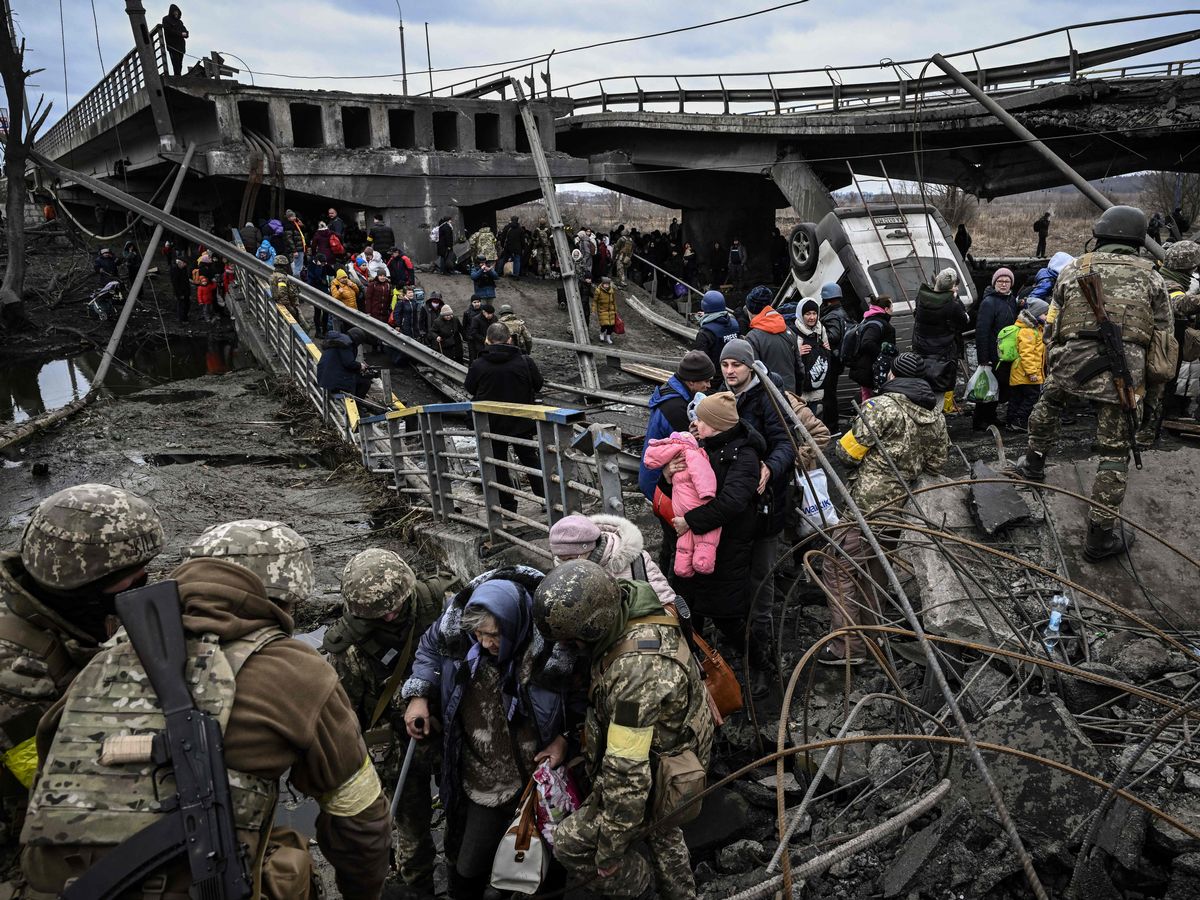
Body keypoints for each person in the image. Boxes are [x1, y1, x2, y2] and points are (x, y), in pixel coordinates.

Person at [21, 519, 392, 898]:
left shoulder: (105, 659)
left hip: (66, 886)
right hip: (200, 883)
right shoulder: (297, 671)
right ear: (286, 598)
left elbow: (47, 769)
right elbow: (359, 817)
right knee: (287, 861)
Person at [0, 485, 162, 869]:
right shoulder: (14, 674)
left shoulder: (59, 611)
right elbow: (51, 781)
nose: (143, 582)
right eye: (131, 579)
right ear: (80, 581)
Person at [535, 560, 713, 900]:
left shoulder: (634, 673)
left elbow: (628, 774)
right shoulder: (633, 603)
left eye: (571, 642)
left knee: (571, 843)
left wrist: (610, 852)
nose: (569, 649)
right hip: (673, 752)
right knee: (664, 832)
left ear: (591, 629)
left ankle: (640, 887)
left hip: (659, 767)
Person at [402, 568, 576, 899]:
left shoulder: (553, 646)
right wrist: (419, 695)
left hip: (536, 780)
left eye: (494, 635)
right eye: (479, 635)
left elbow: (580, 698)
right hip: (482, 776)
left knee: (545, 865)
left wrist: (564, 737)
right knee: (468, 867)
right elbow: (428, 654)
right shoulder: (456, 635)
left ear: (515, 625)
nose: (485, 643)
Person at [1016, 205, 1171, 559]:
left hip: (1071, 361)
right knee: (1115, 451)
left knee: (1049, 403)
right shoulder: (1153, 277)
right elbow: (1164, 340)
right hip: (1125, 372)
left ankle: (1033, 463)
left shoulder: (1073, 267)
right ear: (1138, 240)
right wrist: (1153, 389)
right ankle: (1099, 538)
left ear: (1099, 235)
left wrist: (1055, 360)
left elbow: (1051, 325)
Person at [323, 549, 456, 896]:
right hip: (395, 747)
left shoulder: (440, 607)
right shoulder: (347, 648)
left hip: (449, 727)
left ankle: (463, 876)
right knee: (411, 827)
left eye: (396, 606)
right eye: (381, 614)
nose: (392, 615)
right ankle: (418, 887)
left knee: (462, 809)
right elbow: (344, 713)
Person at [823, 352, 949, 664]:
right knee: (876, 568)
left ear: (893, 375)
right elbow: (937, 463)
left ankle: (847, 647)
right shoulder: (934, 411)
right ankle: (873, 634)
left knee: (837, 565)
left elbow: (846, 453)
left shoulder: (881, 407)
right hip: (900, 508)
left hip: (866, 505)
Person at [718, 339, 796, 697]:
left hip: (766, 507)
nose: (730, 371)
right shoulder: (720, 400)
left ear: (750, 366)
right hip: (734, 508)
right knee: (733, 578)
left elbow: (786, 445)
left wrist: (770, 467)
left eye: (736, 365)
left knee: (760, 582)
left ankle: (766, 661)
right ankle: (737, 648)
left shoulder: (768, 397)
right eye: (725, 365)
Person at [665, 391, 762, 640]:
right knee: (687, 615)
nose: (694, 423)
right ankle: (696, 668)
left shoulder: (745, 456)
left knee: (727, 621)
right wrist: (667, 475)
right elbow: (683, 490)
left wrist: (690, 522)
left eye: (700, 419)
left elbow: (733, 502)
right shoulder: (702, 448)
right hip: (694, 546)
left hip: (727, 549)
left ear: (716, 425)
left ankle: (760, 663)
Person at [640, 351, 716, 569]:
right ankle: (671, 588)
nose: (709, 386)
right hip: (662, 484)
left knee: (670, 537)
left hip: (655, 478)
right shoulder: (676, 409)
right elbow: (691, 450)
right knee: (678, 539)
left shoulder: (671, 394)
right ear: (691, 381)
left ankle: (665, 578)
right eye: (705, 381)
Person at [464, 322, 545, 510]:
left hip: (491, 423)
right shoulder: (525, 361)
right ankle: (546, 499)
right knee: (530, 459)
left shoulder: (478, 364)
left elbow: (470, 387)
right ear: (510, 339)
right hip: (521, 420)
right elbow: (538, 385)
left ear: (487, 340)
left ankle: (508, 506)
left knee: (498, 465)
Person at [548, 514, 678, 608]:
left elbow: (665, 602)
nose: (566, 566)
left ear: (589, 548)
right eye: (561, 559)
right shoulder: (564, 566)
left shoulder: (635, 562)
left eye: (571, 559)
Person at [913, 267, 969, 412]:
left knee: (922, 390)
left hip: (921, 350)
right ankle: (934, 426)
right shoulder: (952, 305)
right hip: (943, 354)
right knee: (938, 395)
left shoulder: (921, 297)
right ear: (952, 287)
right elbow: (964, 320)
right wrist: (955, 298)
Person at [973, 267, 1019, 430]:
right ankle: (979, 420)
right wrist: (983, 359)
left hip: (1007, 353)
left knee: (999, 386)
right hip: (993, 353)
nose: (1003, 284)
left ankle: (991, 417)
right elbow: (982, 331)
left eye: (1007, 281)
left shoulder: (1011, 300)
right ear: (994, 283)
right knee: (987, 386)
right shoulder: (989, 302)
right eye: (1000, 281)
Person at [744, 285, 801, 392]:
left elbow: (754, 375)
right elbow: (799, 369)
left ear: (750, 310)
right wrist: (797, 394)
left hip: (768, 399)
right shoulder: (788, 331)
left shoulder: (752, 338)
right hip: (791, 394)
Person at [1007, 299, 1048, 430]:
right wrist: (1032, 373)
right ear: (1036, 314)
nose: (1047, 316)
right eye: (1044, 313)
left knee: (1017, 397)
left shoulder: (1033, 329)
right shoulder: (1029, 331)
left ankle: (1011, 422)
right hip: (1026, 373)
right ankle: (1020, 420)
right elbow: (1027, 354)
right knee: (1032, 397)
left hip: (1020, 372)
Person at [818, 282, 851, 432]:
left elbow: (833, 336)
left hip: (831, 360)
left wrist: (818, 334)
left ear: (826, 299)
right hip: (838, 359)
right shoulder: (842, 312)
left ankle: (831, 426)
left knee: (828, 395)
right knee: (830, 394)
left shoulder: (831, 316)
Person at [793, 298, 831, 416]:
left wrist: (827, 349)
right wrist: (797, 353)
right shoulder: (794, 331)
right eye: (808, 314)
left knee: (815, 418)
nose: (812, 317)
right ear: (801, 314)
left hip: (817, 382)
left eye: (814, 313)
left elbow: (827, 353)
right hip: (800, 386)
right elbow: (787, 357)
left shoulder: (821, 330)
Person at [693, 290, 740, 377]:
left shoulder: (705, 332)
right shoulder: (734, 324)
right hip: (734, 374)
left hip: (714, 379)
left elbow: (700, 362)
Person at [318, 330, 373, 400]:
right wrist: (360, 366)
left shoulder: (338, 341)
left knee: (357, 378)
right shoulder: (347, 345)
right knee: (365, 382)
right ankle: (357, 404)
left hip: (324, 376)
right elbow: (349, 363)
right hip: (334, 380)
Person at [160, 4, 188, 77]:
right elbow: (169, 31)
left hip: (181, 46)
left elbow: (186, 33)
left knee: (180, 64)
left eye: (177, 12)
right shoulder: (166, 19)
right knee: (175, 63)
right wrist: (181, 34)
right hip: (172, 45)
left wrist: (184, 33)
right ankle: (177, 77)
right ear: (171, 12)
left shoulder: (180, 22)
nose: (176, 13)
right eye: (175, 12)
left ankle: (178, 77)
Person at [594, 275, 618, 343]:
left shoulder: (611, 291)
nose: (606, 286)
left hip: (611, 310)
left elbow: (614, 301)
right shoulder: (598, 291)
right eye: (605, 284)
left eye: (607, 284)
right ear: (602, 284)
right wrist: (594, 308)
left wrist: (615, 309)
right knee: (605, 324)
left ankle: (608, 337)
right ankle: (601, 334)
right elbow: (595, 300)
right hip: (602, 310)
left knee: (611, 325)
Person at [169, 255, 191, 323]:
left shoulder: (183, 268)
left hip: (186, 290)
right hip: (180, 291)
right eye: (184, 264)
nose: (185, 265)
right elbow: (175, 284)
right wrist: (179, 294)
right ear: (180, 262)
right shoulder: (175, 270)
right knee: (182, 305)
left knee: (187, 304)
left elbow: (186, 280)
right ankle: (182, 319)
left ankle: (185, 317)